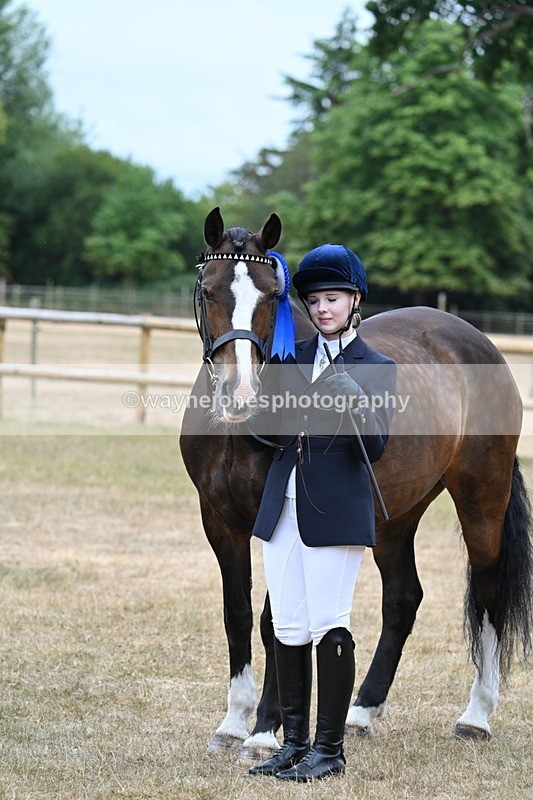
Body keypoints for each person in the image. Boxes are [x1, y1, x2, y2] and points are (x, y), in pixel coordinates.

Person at [248, 244, 397, 782]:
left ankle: (329, 749)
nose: (322, 309)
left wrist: (354, 396)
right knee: (286, 623)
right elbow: (266, 433)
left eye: (332, 299)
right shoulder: (291, 357)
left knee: (327, 623)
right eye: (313, 301)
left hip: (335, 508)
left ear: (355, 300)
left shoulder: (376, 366)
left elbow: (376, 445)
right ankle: (294, 743)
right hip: (281, 506)